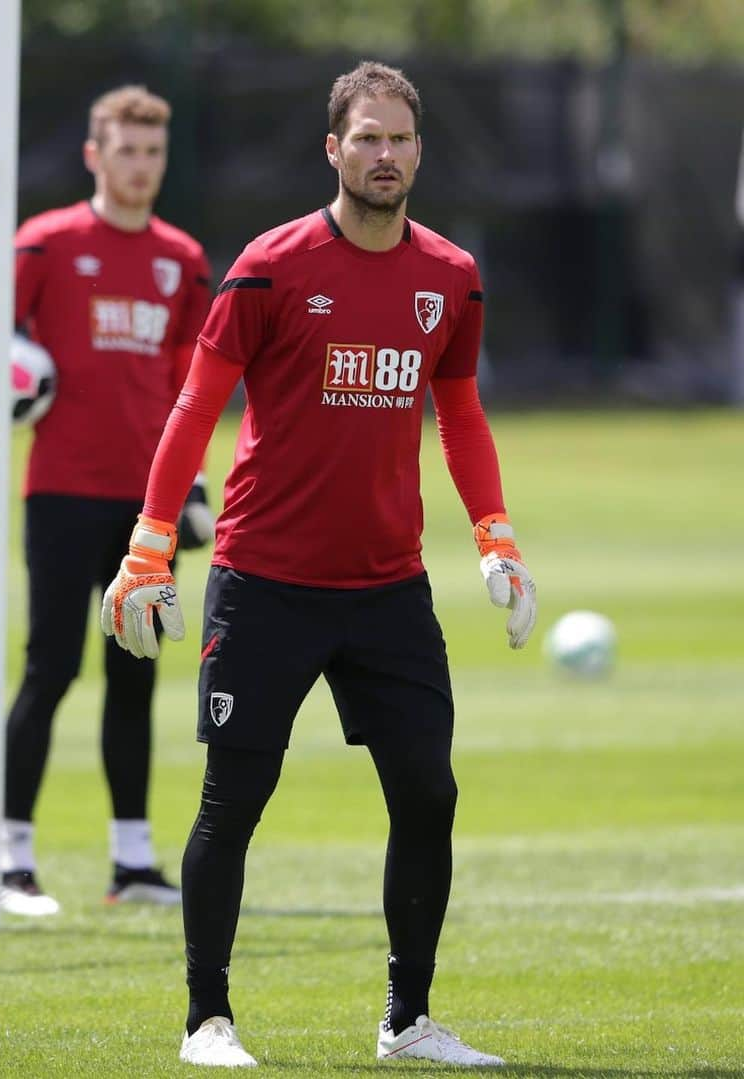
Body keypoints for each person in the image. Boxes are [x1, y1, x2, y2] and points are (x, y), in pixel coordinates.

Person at [100, 62, 536, 1067]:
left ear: (419, 152)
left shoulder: (453, 276)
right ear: (333, 149)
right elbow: (194, 408)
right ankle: (207, 1020)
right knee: (234, 797)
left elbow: (459, 412)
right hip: (265, 582)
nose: (386, 155)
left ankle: (407, 1019)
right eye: (367, 138)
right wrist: (149, 544)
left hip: (388, 585)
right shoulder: (268, 266)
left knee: (429, 792)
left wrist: (495, 536)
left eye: (401, 139)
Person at [0, 85, 214, 915]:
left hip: (145, 506)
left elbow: (188, 384)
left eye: (153, 152)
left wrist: (190, 484)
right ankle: (10, 856)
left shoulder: (185, 260)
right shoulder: (46, 245)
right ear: (95, 156)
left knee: (135, 676)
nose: (141, 166)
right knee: (48, 670)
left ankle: (132, 860)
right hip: (58, 494)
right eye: (125, 150)